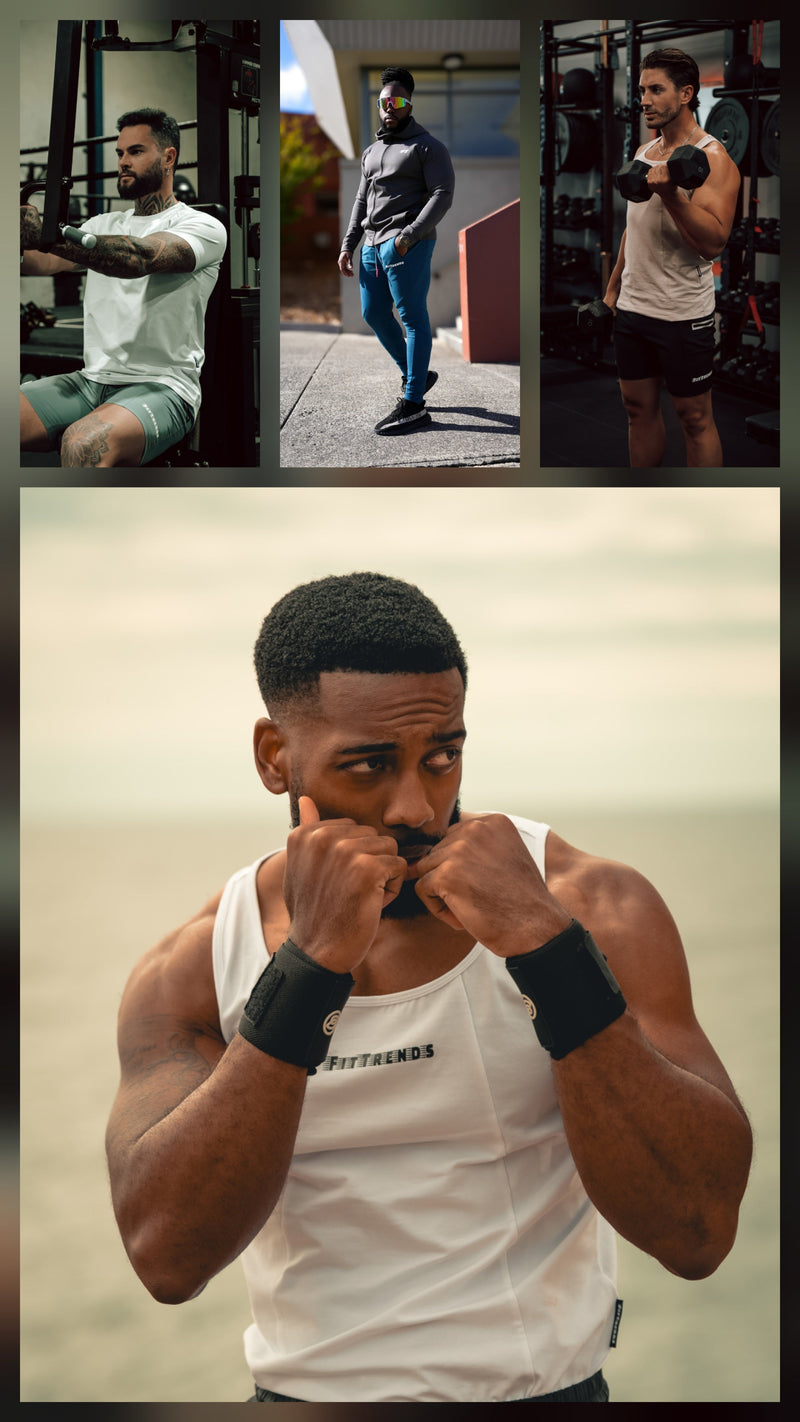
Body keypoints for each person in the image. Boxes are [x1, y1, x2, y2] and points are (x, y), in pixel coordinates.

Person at [105, 572, 753, 1404]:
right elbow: (166, 1257)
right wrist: (310, 969)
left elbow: (697, 1230)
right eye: (368, 766)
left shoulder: (592, 906)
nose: (416, 805)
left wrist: (544, 949)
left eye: (443, 756)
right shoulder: (199, 963)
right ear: (276, 758)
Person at [20, 108, 227, 467]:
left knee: (83, 444)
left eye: (135, 151)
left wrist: (45, 235)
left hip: (163, 387)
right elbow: (42, 262)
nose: (123, 162)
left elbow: (138, 258)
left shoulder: (202, 226)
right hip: (89, 382)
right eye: (119, 153)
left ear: (168, 157)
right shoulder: (103, 222)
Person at [602, 49, 740, 469]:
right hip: (633, 310)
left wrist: (670, 195)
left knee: (694, 418)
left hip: (683, 315)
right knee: (637, 411)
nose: (644, 99)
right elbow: (635, 227)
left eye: (656, 89)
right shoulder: (645, 152)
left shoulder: (715, 159)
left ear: (685, 94)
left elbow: (713, 243)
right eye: (642, 89)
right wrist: (612, 291)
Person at [338, 67, 455, 436]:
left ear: (409, 104)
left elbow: (442, 195)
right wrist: (348, 245)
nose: (390, 107)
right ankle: (416, 374)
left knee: (413, 318)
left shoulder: (427, 147)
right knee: (373, 313)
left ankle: (414, 405)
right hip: (371, 247)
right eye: (384, 102)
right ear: (379, 105)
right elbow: (361, 199)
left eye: (398, 101)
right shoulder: (372, 151)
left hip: (405, 244)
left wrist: (409, 235)